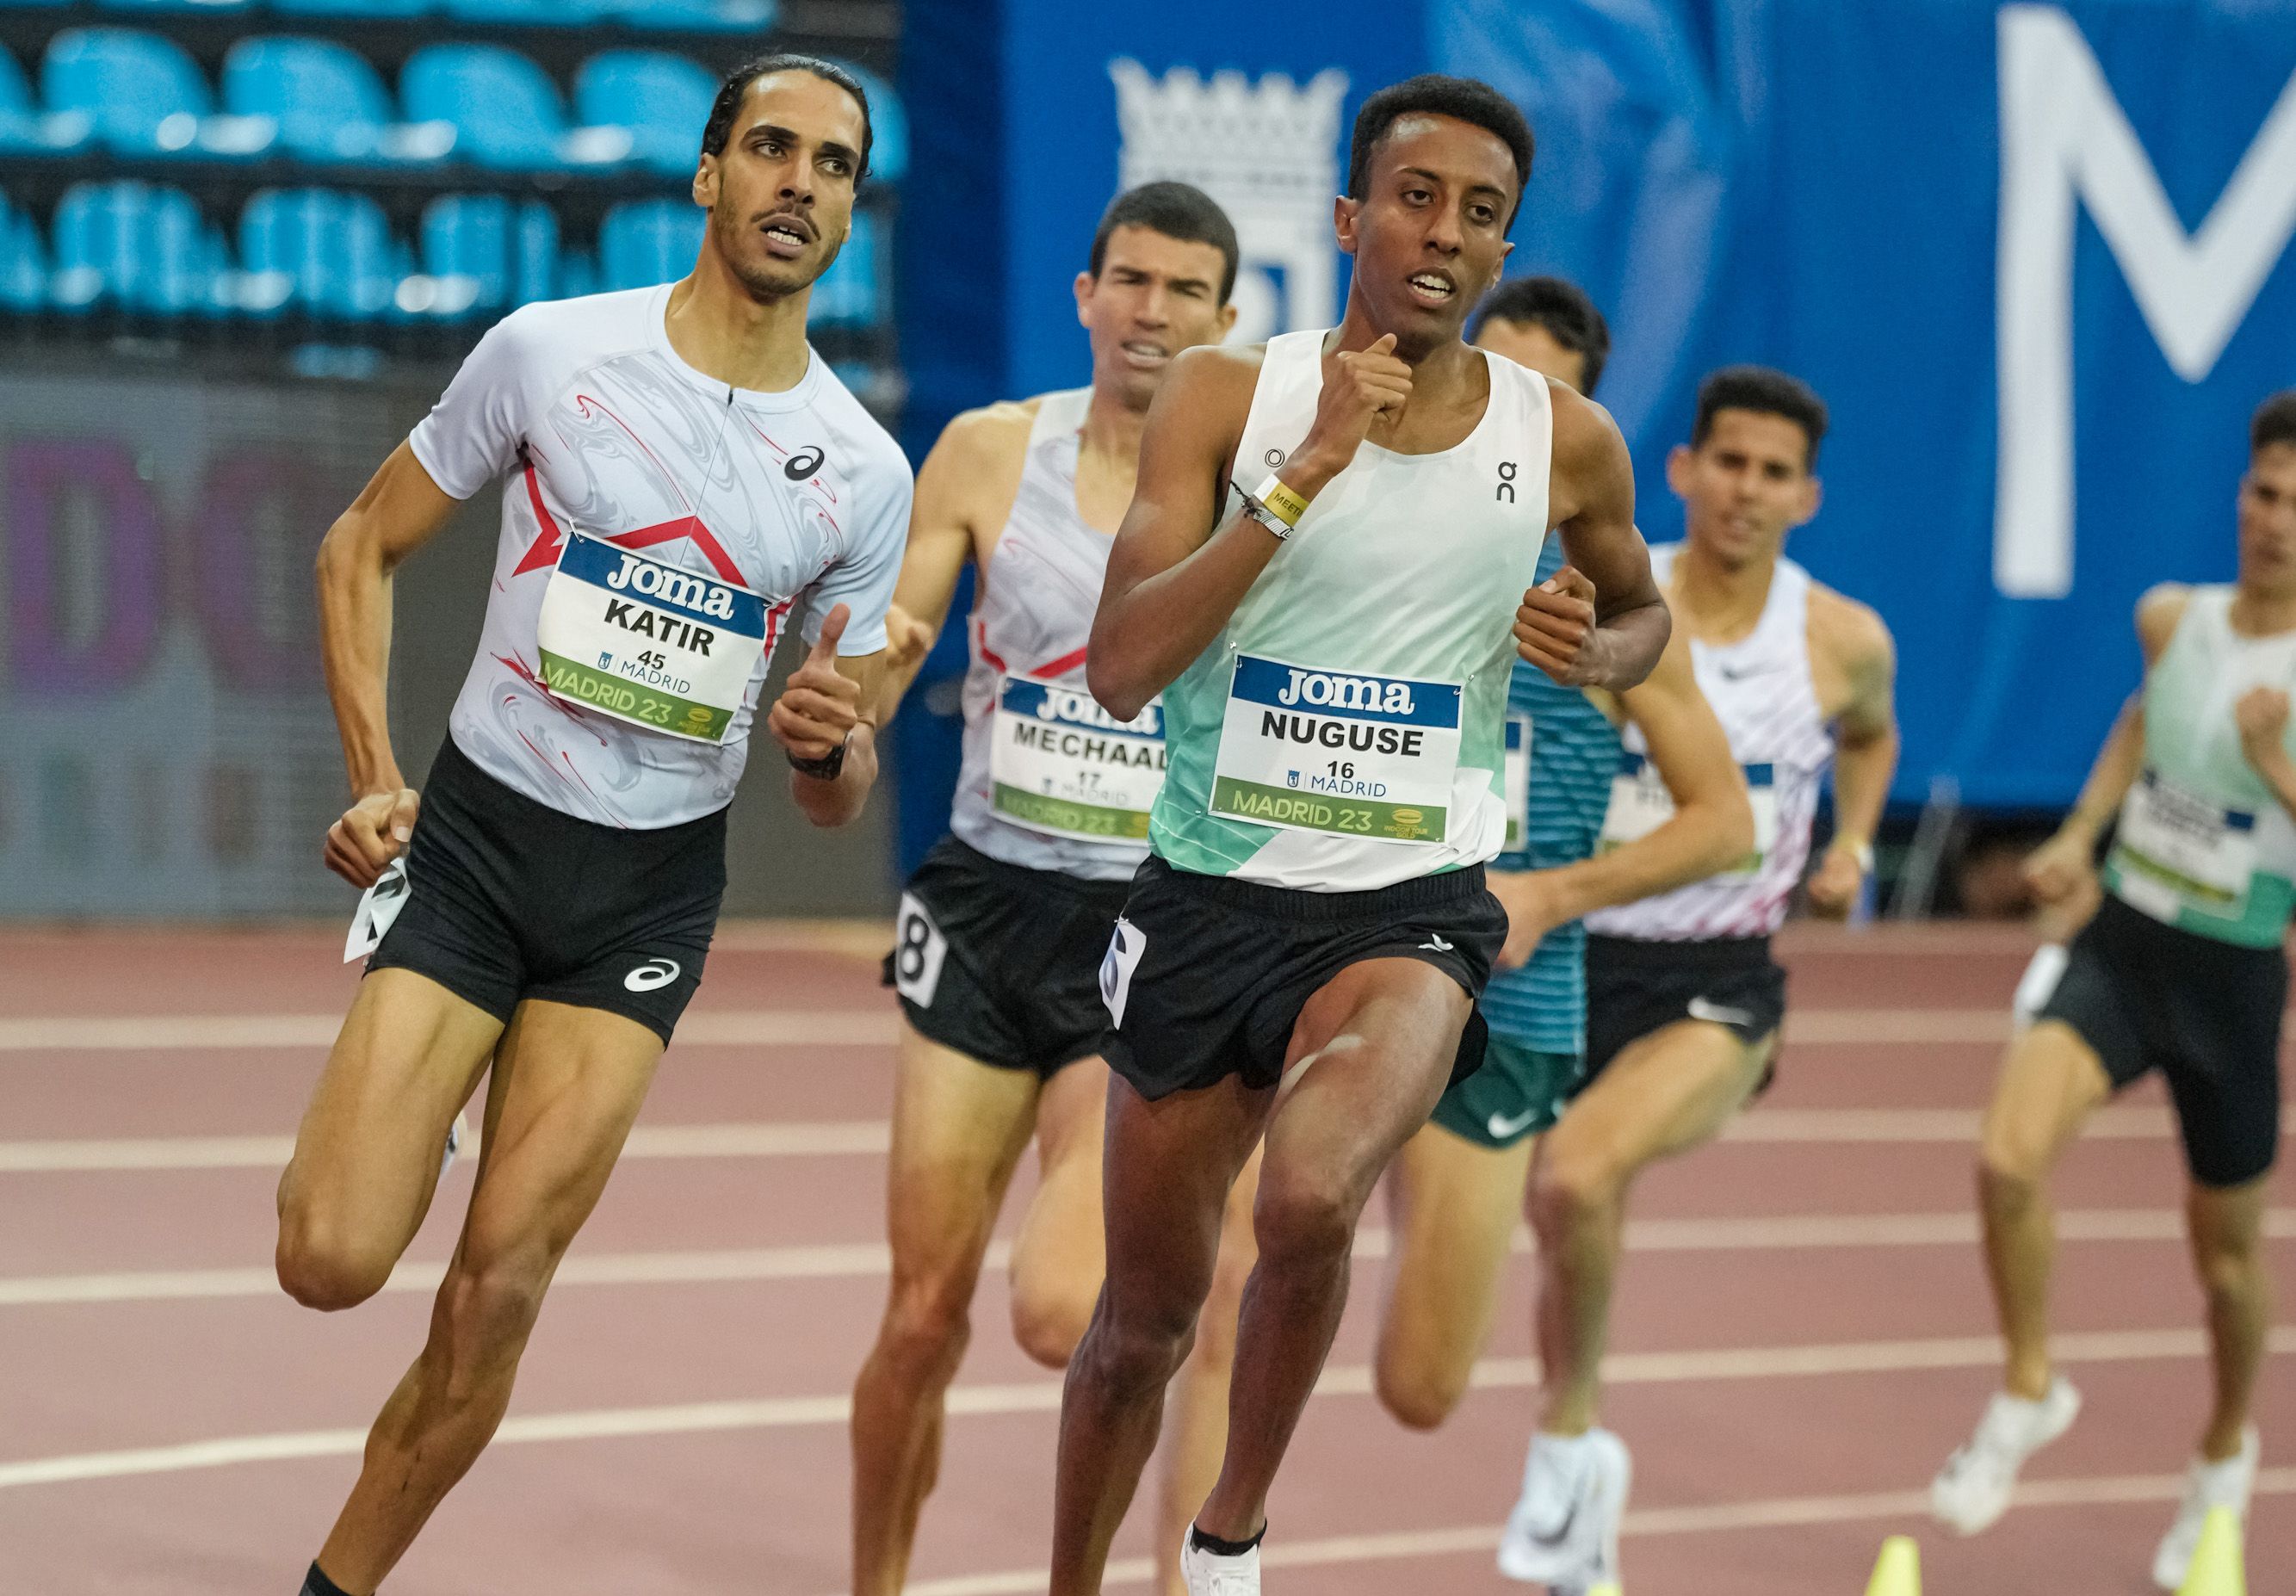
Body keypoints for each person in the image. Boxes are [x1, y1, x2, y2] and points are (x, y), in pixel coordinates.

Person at [276, 56, 908, 1596]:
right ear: (710, 176)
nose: (798, 185)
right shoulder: (554, 353)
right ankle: (424, 1088)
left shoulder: (866, 476)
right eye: (771, 150)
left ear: (848, 210)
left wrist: (835, 751)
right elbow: (361, 546)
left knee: (497, 1288)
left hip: (643, 901)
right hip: (481, 845)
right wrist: (374, 779)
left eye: (833, 165)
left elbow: (831, 795)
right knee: (331, 1258)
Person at [1051, 77, 1671, 1596]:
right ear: (1349, 216)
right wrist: (1303, 470)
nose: (1442, 232)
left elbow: (1644, 616)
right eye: (1414, 196)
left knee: (1315, 1191)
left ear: (1504, 241)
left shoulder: (1563, 440)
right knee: (1140, 1323)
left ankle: (1230, 1532)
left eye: (1479, 212)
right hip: (1209, 895)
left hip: (1409, 907)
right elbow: (1123, 669)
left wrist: (1589, 650)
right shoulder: (1221, 400)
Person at [1149, 276, 1749, 1596]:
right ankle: (1197, 1564)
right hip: (1340, 939)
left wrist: (1554, 889)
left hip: (1503, 1001)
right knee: (1240, 1257)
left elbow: (1722, 826)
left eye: (1523, 405)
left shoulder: (1601, 603)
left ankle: (1576, 1445)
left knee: (1422, 1383)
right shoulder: (1351, 534)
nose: (1480, 421)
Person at [847, 181, 1248, 1596]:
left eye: (1185, 291)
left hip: (1138, 928)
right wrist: (859, 693)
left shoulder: (1253, 490)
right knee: (918, 1317)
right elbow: (896, 635)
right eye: (1130, 281)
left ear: (1227, 321)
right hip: (980, 908)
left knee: (1065, 1305)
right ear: (1084, 297)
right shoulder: (986, 450)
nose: (1152, 311)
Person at [1498, 365, 1900, 1591]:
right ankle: (1580, 1476)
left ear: (1807, 497)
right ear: (1681, 469)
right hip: (1571, 956)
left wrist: (1854, 843)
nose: (1747, 489)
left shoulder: (1840, 639)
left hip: (1718, 981)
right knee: (1576, 1213)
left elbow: (1872, 733)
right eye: (1729, 461)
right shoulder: (1617, 595)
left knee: (1575, 1177)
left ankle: (1565, 1451)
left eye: (1775, 472)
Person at [1931, 390, 2296, 1589]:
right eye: (2265, 493)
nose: (2277, 521)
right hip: (2125, 942)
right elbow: (2142, 727)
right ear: (2240, 496)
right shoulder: (2172, 616)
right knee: (2006, 1158)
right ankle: (2033, 1385)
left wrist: (2274, 761)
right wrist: (2082, 835)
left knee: (2228, 1263)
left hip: (2236, 976)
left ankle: (2225, 1446)